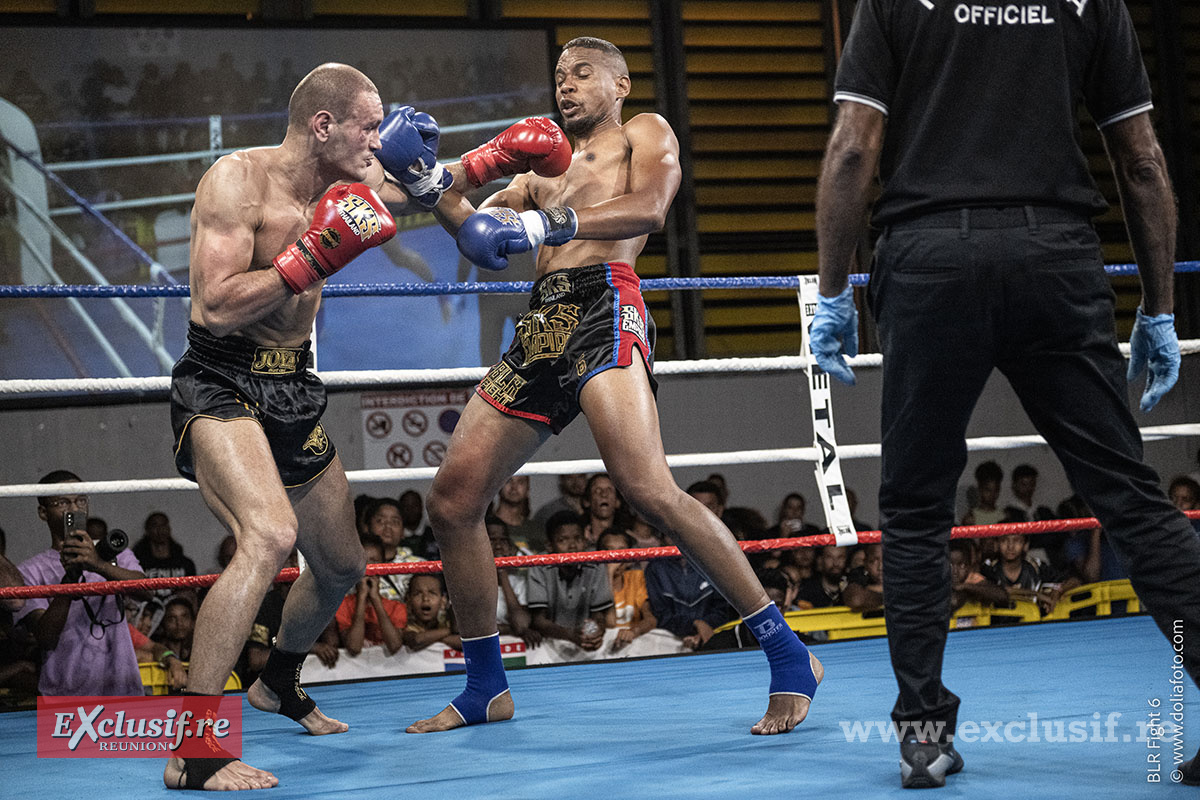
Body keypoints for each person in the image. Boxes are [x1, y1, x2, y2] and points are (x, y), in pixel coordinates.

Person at [381, 36, 821, 736]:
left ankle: (787, 653)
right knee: (454, 498)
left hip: (604, 304)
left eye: (582, 74)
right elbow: (480, 239)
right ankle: (486, 686)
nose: (567, 86)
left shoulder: (642, 132)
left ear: (620, 84)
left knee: (647, 489)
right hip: (542, 322)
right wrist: (430, 180)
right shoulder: (534, 162)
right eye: (559, 76)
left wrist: (542, 221)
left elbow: (649, 209)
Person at [811, 0, 1200, 786]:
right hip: (1053, 256)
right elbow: (1143, 159)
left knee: (917, 507)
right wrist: (1160, 306)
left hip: (928, 260)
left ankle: (923, 735)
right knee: (1128, 496)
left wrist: (831, 293)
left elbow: (855, 147)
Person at [164, 62, 433, 790]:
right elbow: (214, 306)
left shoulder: (349, 184)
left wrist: (492, 159)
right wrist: (308, 255)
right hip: (219, 377)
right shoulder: (236, 182)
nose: (378, 140)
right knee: (269, 536)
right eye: (369, 125)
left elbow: (428, 189)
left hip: (291, 388)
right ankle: (195, 749)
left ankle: (276, 682)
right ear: (324, 126)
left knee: (342, 564)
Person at [14, 471, 151, 697]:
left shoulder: (113, 552)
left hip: (122, 689)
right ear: (43, 512)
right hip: (62, 696)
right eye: (62, 502)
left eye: (81, 500)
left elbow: (146, 593)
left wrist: (98, 564)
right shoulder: (29, 570)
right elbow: (45, 637)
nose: (74, 508)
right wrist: (70, 579)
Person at [526, 511, 613, 652]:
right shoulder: (539, 564)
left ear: (585, 541)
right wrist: (570, 635)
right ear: (549, 546)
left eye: (577, 538)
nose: (572, 546)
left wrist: (596, 632)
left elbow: (599, 615)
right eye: (563, 540)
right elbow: (538, 620)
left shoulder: (595, 563)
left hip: (585, 641)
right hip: (549, 644)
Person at [336, 535, 407, 656]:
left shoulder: (397, 607)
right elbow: (354, 648)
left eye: (374, 561)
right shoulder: (343, 605)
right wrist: (361, 597)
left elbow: (395, 646)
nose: (368, 567)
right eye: (363, 561)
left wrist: (375, 599)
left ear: (383, 565)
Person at [132, 512, 198, 600]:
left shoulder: (185, 563)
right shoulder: (137, 564)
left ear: (169, 528)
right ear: (147, 530)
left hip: (177, 608)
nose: (160, 530)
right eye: (155, 525)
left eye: (163, 525)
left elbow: (191, 593)